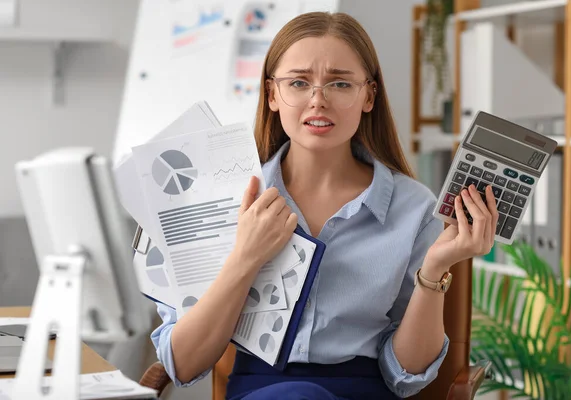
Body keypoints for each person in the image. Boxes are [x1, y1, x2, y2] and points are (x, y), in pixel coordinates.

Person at [151, 11, 498, 400]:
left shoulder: (414, 208)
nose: (318, 100)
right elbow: (183, 365)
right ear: (271, 95)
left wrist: (434, 269)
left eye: (339, 83)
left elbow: (409, 375)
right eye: (299, 82)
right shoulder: (221, 197)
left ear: (369, 95)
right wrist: (245, 257)